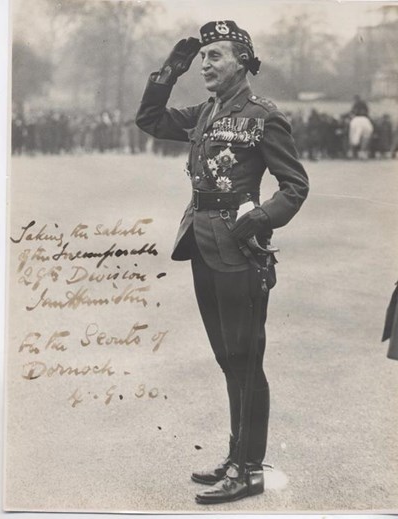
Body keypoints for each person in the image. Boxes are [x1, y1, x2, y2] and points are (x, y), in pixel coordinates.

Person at [136, 20, 309, 505]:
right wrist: (172, 70)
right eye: (203, 56)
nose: (206, 65)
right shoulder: (206, 110)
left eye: (215, 55)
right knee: (227, 358)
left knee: (246, 361)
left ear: (242, 61)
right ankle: (237, 457)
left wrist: (256, 220)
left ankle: (250, 469)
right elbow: (149, 120)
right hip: (200, 241)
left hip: (238, 249)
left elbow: (295, 185)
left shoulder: (263, 115)